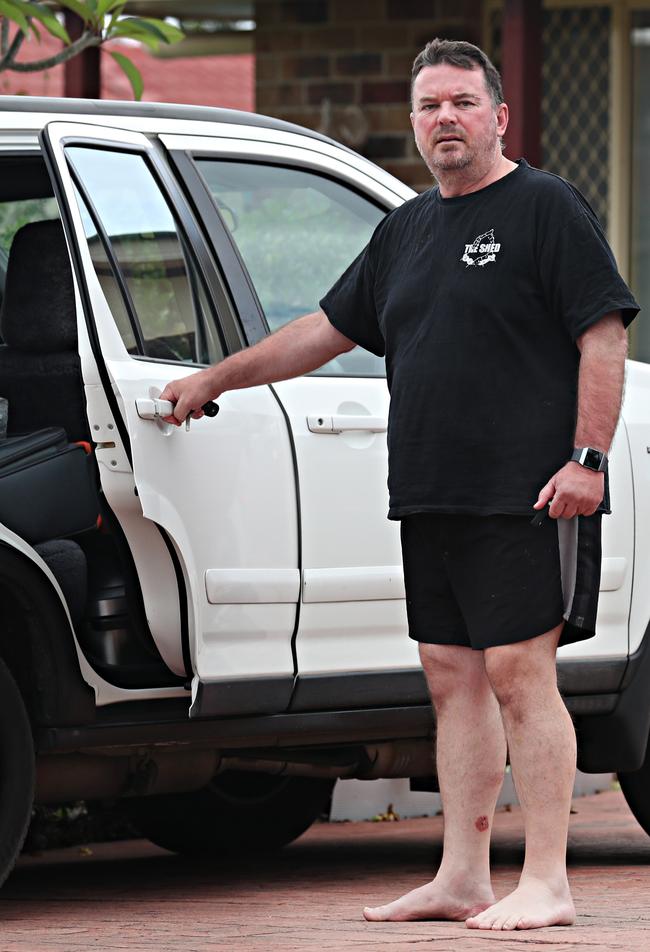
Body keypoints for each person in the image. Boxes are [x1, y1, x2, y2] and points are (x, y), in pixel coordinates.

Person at [160, 39, 639, 932]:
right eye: (429, 107)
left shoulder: (545, 208)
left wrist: (590, 459)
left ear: (500, 117)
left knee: (519, 673)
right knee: (450, 675)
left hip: (529, 490)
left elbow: (601, 333)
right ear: (415, 124)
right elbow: (324, 331)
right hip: (432, 489)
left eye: (462, 102)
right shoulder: (407, 229)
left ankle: (548, 880)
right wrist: (216, 378)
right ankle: (463, 875)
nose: (445, 119)